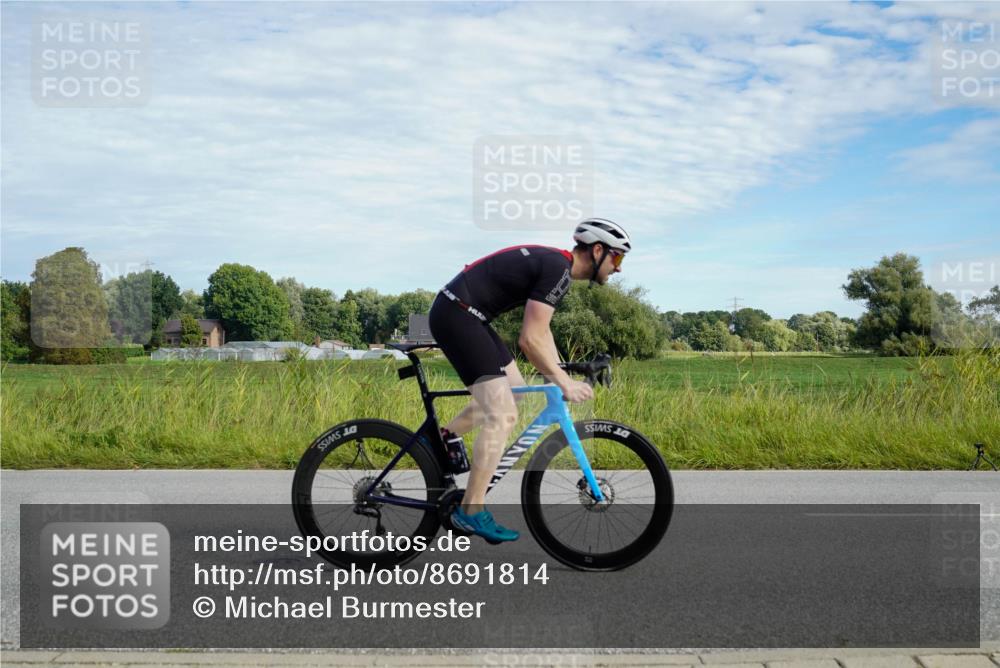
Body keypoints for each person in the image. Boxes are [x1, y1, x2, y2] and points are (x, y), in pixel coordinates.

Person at [427, 218, 631, 543]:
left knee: (515, 393)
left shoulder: (557, 268)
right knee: (502, 413)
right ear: (597, 250)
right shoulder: (557, 269)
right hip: (459, 315)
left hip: (470, 316)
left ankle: (439, 441)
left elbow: (542, 331)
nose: (618, 268)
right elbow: (529, 340)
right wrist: (562, 382)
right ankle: (471, 511)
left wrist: (564, 368)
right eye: (617, 257)